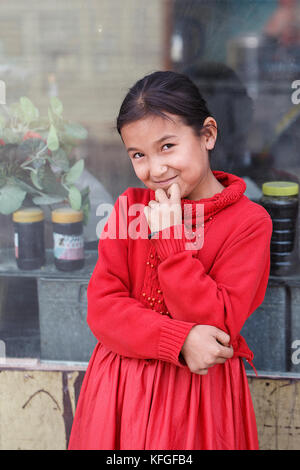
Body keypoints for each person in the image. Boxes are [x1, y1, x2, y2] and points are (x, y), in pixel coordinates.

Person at [68, 70, 272, 450]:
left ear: (207, 134)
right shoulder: (129, 208)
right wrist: (178, 341)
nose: (156, 169)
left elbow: (219, 324)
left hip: (196, 400)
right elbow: (102, 308)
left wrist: (169, 239)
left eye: (167, 147)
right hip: (119, 391)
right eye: (138, 155)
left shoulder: (249, 223)